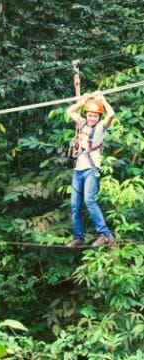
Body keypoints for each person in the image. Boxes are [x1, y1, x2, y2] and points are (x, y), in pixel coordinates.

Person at [65, 93, 115, 248]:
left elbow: (111, 114)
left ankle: (105, 235)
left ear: (99, 117)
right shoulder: (82, 124)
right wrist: (83, 101)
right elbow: (70, 111)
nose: (92, 118)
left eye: (95, 116)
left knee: (89, 200)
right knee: (74, 205)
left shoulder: (101, 127)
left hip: (91, 169)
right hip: (78, 170)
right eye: (90, 115)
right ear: (86, 115)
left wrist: (103, 100)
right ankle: (78, 237)